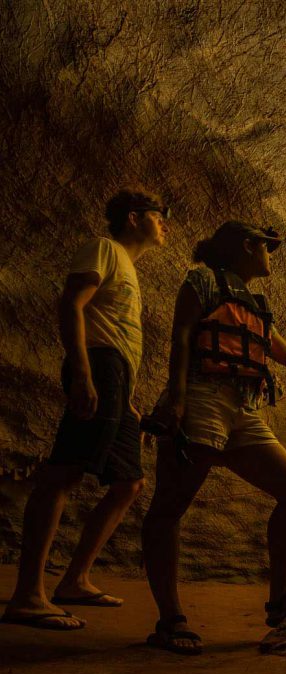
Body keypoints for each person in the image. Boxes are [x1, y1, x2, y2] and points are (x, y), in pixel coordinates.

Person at [141, 220, 286, 655]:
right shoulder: (202, 280)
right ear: (246, 246)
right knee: (169, 507)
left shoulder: (255, 303)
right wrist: (176, 400)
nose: (270, 256)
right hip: (202, 395)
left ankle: (279, 600)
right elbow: (181, 338)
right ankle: (171, 618)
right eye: (266, 248)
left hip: (244, 409)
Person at [2, 189, 169, 630]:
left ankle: (74, 580)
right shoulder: (105, 249)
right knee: (63, 473)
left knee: (129, 483)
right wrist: (82, 375)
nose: (165, 222)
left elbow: (111, 326)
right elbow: (71, 305)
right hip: (99, 366)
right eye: (159, 214)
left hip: (117, 379)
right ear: (134, 218)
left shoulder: (127, 266)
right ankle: (27, 596)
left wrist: (128, 399)